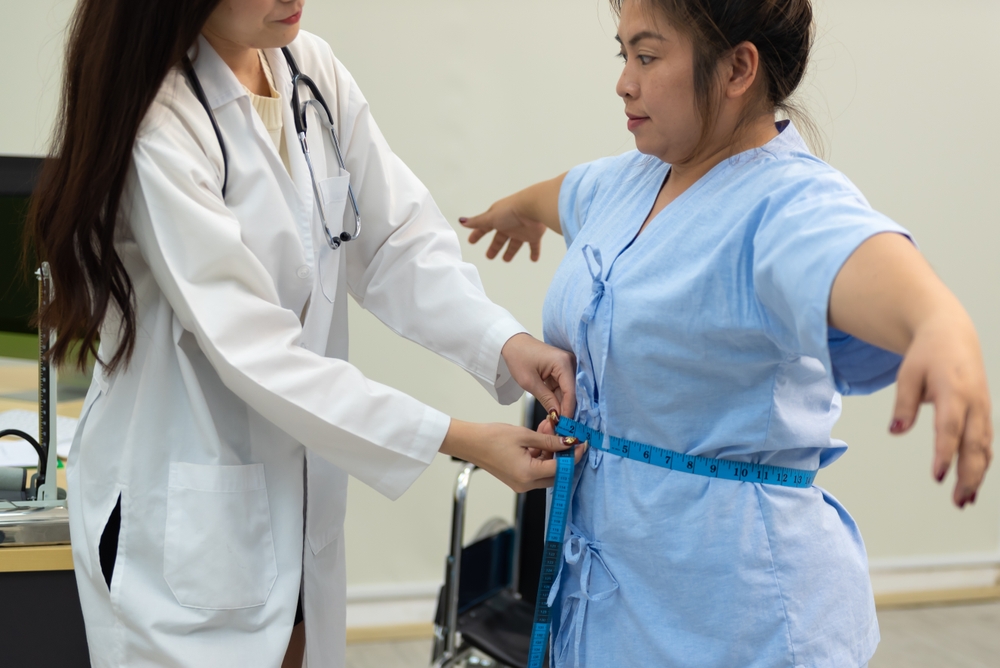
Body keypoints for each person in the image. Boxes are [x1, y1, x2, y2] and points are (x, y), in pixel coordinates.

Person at [26, 0, 584, 666]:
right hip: (182, 528)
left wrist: (505, 343)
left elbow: (397, 243)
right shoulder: (162, 122)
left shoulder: (310, 69)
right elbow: (259, 355)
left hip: (295, 516)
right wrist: (460, 439)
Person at [460, 0, 992, 666]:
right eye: (623, 55)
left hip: (740, 620)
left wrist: (940, 323)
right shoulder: (629, 180)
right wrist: (517, 211)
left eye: (647, 56)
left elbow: (858, 253)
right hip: (613, 606)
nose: (624, 82)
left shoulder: (783, 205)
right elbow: (563, 195)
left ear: (739, 68)